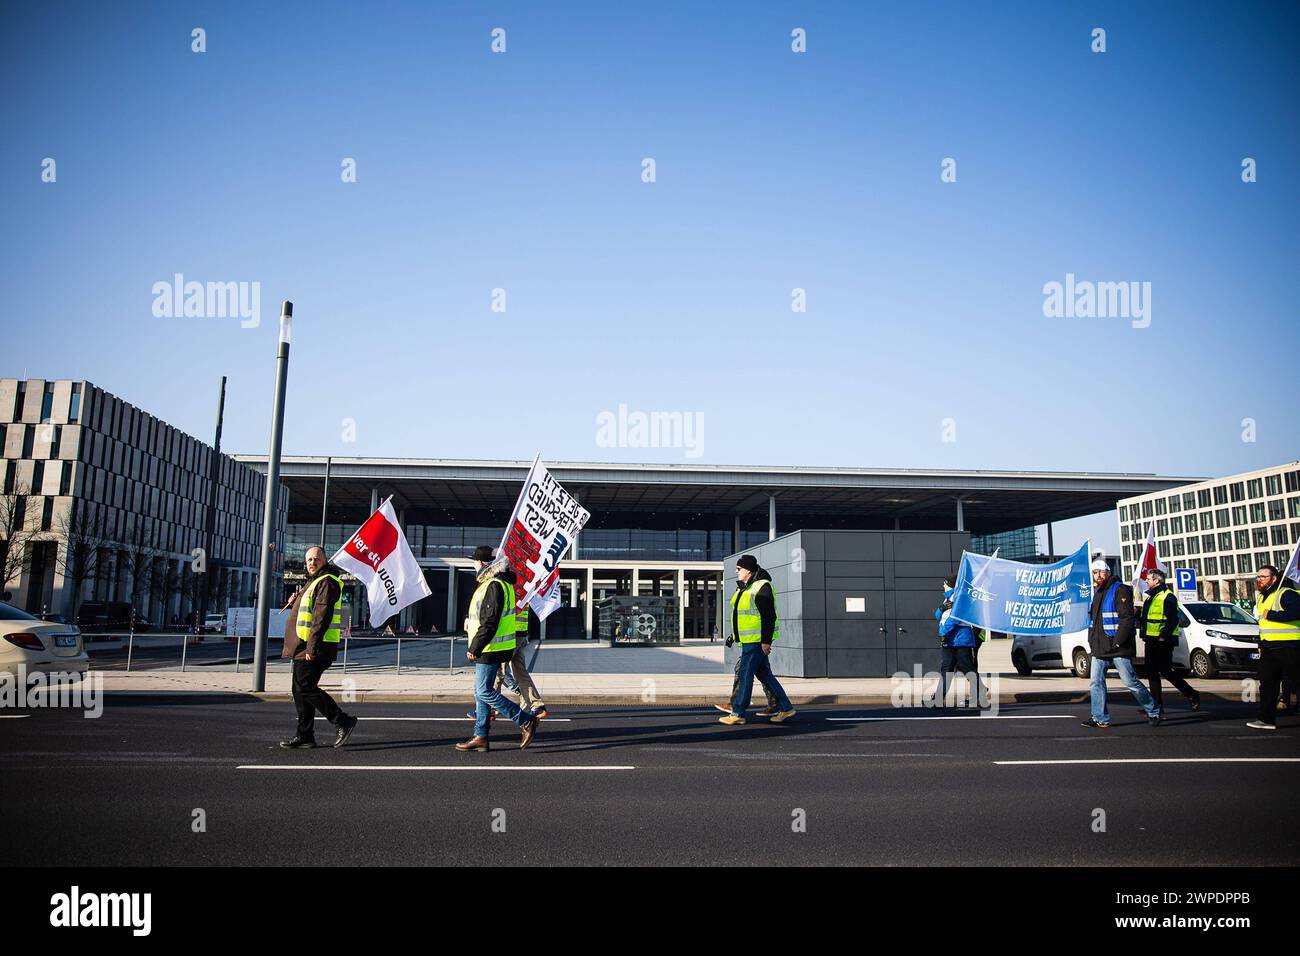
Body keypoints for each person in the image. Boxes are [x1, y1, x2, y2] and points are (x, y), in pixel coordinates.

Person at [456, 546, 540, 752]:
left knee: (483, 690)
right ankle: (481, 736)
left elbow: (490, 621)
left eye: (475, 561)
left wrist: (475, 647)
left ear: (483, 564)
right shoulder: (498, 583)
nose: (474, 564)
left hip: (490, 647)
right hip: (493, 646)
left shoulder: (493, 585)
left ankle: (525, 720)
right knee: (480, 692)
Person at [279, 546, 358, 749]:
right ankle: (305, 735)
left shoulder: (327, 582)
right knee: (299, 690)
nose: (312, 563)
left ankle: (342, 720)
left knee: (305, 687)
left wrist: (311, 649)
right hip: (302, 647)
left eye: (316, 559)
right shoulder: (313, 582)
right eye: (309, 560)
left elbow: (321, 618)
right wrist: (297, 598)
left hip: (314, 647)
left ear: (325, 561)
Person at [1083, 559, 1160, 729]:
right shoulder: (1097, 592)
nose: (1098, 576)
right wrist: (1091, 641)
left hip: (1118, 647)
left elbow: (1127, 619)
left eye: (1101, 572)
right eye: (1095, 573)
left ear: (1108, 572)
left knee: (1130, 681)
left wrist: (1118, 643)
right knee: (1096, 682)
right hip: (1100, 647)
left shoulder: (1120, 589)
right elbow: (1095, 622)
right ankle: (1099, 718)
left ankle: (1153, 710)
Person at [719, 555, 795, 725]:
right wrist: (734, 636)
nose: (736, 572)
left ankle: (738, 712)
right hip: (749, 640)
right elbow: (742, 616)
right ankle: (786, 707)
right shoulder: (746, 587)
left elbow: (769, 616)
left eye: (739, 569)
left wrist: (766, 642)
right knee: (765, 675)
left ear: (749, 570)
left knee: (745, 675)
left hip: (756, 641)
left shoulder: (762, 587)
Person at [485, 570, 549, 719]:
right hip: (519, 632)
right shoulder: (523, 582)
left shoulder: (506, 584)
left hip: (509, 633)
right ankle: (537, 705)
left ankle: (488, 710)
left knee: (497, 670)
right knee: (519, 670)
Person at [1137, 567, 1201, 712]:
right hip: (1151, 640)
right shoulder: (1150, 597)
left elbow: (1173, 619)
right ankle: (1156, 707)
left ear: (1156, 580)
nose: (1146, 581)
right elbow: (1147, 619)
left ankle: (1191, 694)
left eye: (1148, 579)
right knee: (1151, 673)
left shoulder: (1168, 596)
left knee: (1165, 671)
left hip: (1163, 641)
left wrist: (1162, 636)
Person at [1247, 566, 1300, 730]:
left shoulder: (1287, 593)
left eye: (1263, 577)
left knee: (1297, 682)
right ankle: (1266, 719)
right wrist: (1261, 644)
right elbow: (1264, 624)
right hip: (1269, 647)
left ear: (1274, 578)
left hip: (1289, 646)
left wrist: (1272, 615)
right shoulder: (1262, 597)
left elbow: (1297, 612)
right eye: (1258, 577)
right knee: (1267, 684)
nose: (1259, 580)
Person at [936, 575, 981, 708]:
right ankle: (938, 700)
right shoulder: (948, 598)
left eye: (944, 583)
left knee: (967, 669)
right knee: (947, 670)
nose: (942, 585)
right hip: (950, 641)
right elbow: (940, 617)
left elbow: (954, 618)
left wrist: (943, 633)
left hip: (960, 640)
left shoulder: (959, 597)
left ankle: (980, 695)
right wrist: (940, 609)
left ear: (948, 583)